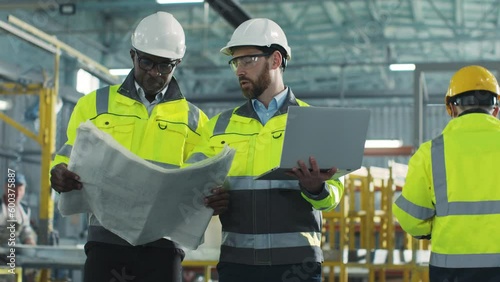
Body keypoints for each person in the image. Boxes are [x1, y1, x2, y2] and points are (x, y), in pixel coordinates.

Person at [49, 12, 222, 282]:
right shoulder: (94, 106)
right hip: (107, 242)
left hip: (164, 246)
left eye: (165, 65)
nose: (155, 72)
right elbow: (68, 155)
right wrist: (58, 172)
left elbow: (201, 178)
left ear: (177, 63)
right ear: (133, 55)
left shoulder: (195, 120)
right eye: (147, 62)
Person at [186, 18, 345, 282]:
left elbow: (335, 195)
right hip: (237, 265)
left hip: (297, 267)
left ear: (275, 60)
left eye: (247, 60)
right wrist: (206, 199)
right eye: (236, 62)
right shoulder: (218, 127)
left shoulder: (311, 121)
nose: (239, 70)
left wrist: (316, 188)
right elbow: (188, 184)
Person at [393, 65, 500, 282]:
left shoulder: (430, 153)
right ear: (496, 108)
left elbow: (412, 220)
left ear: (451, 108)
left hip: (452, 273)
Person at [0, 173, 36, 246]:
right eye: (13, 189)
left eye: (20, 189)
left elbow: (26, 231)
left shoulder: (24, 210)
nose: (17, 193)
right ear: (6, 188)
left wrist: (29, 241)